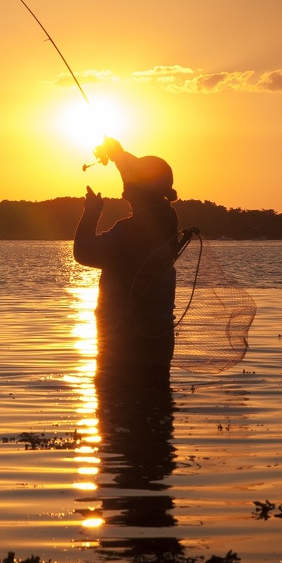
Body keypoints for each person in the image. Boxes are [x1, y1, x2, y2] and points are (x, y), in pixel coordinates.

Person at [73, 137, 180, 385]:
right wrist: (119, 155)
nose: (125, 182)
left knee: (117, 411)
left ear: (140, 188)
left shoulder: (131, 230)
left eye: (132, 179)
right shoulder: (168, 222)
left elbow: (84, 252)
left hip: (124, 346)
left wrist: (91, 213)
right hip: (158, 343)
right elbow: (142, 179)